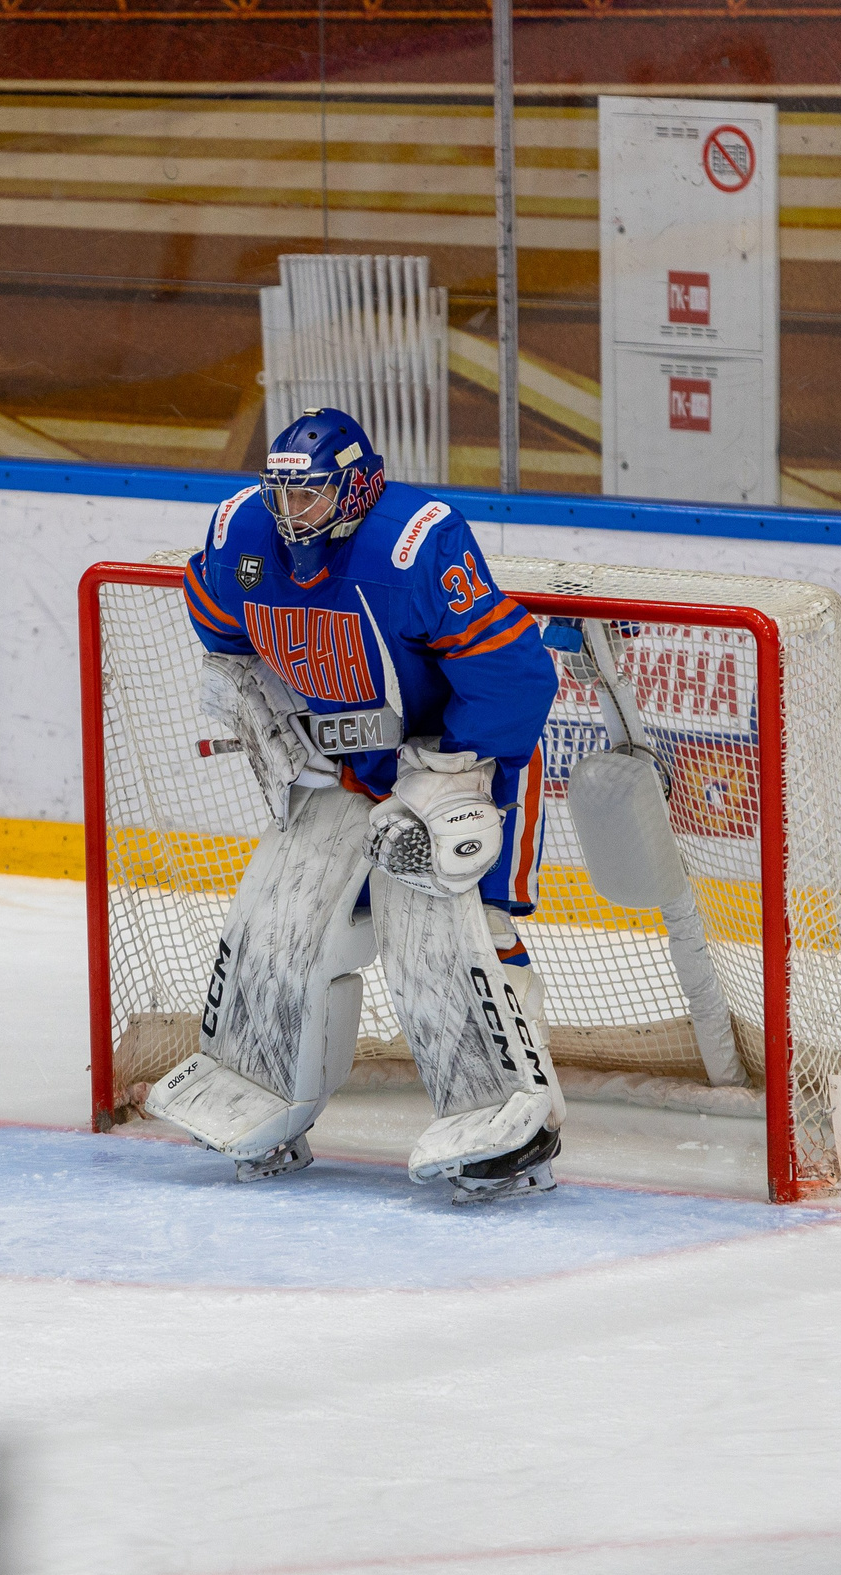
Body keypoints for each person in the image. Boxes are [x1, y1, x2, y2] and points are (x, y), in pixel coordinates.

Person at [144, 407, 566, 1204]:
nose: (289, 513)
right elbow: (224, 638)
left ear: (358, 485)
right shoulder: (242, 534)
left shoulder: (413, 543)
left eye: (309, 496)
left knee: (447, 935)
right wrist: (265, 712)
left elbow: (515, 674)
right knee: (282, 924)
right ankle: (263, 1092)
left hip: (454, 758)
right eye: (282, 494)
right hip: (342, 766)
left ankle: (515, 1123)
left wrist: (448, 775)